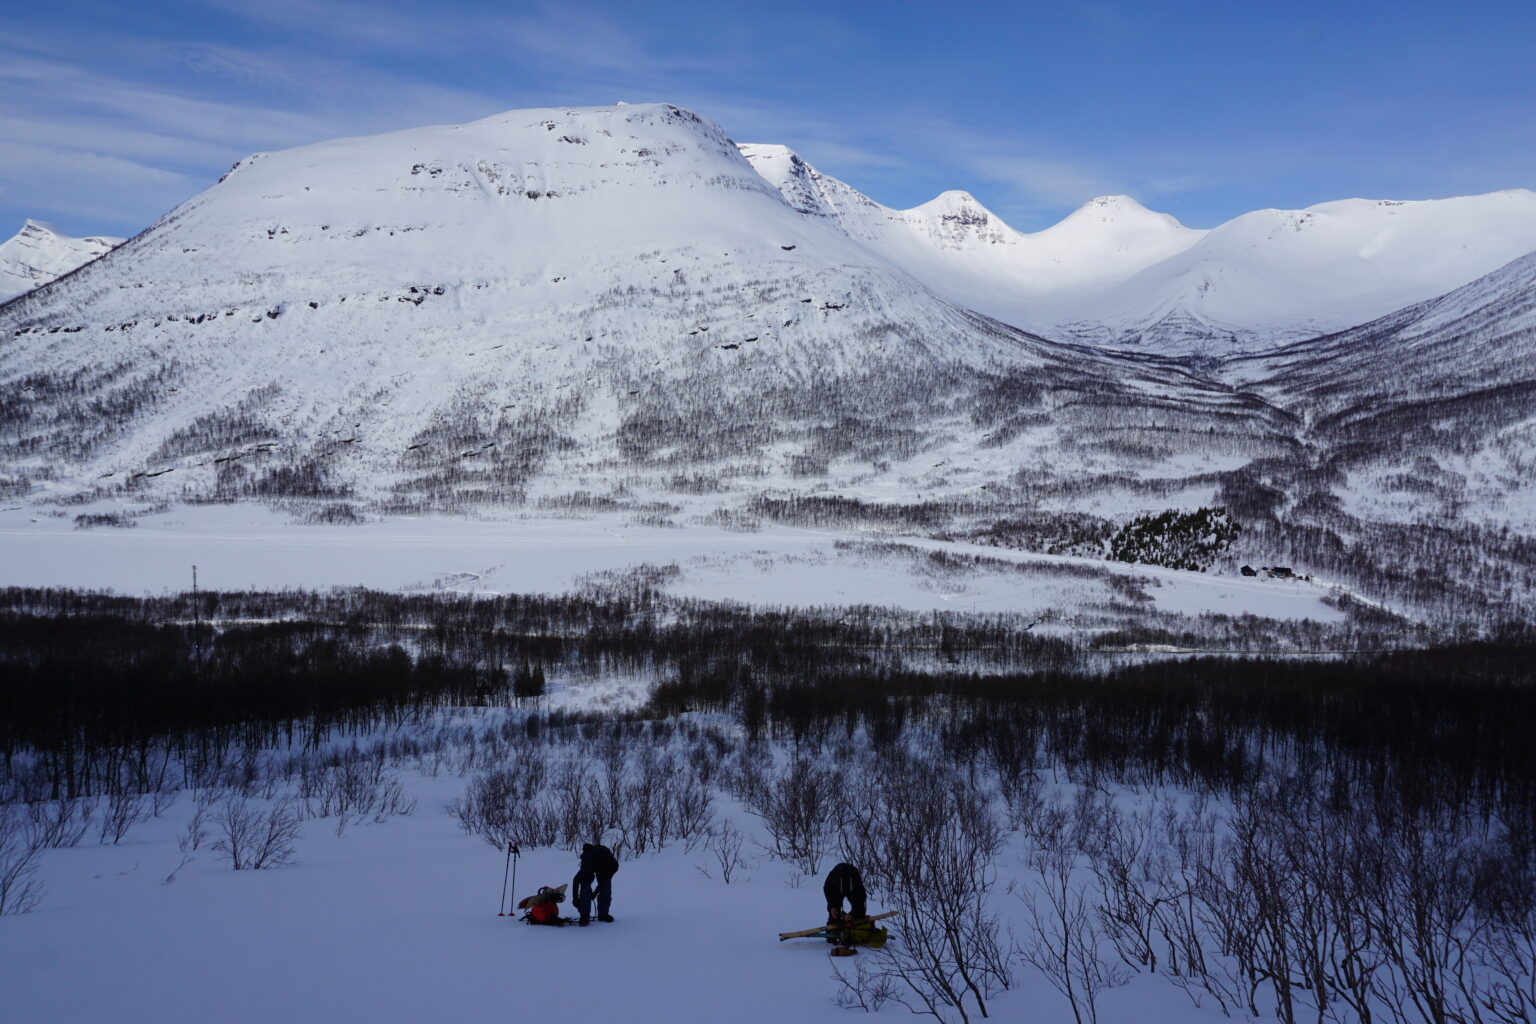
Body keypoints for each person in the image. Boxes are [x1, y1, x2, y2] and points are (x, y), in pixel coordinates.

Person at [572, 841, 619, 926]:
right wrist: (575, 899)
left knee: (606, 888)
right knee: (585, 887)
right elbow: (576, 880)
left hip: (606, 868)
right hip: (592, 867)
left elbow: (604, 882)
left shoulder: (610, 864)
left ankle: (603, 914)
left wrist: (595, 892)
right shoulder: (587, 861)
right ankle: (585, 915)